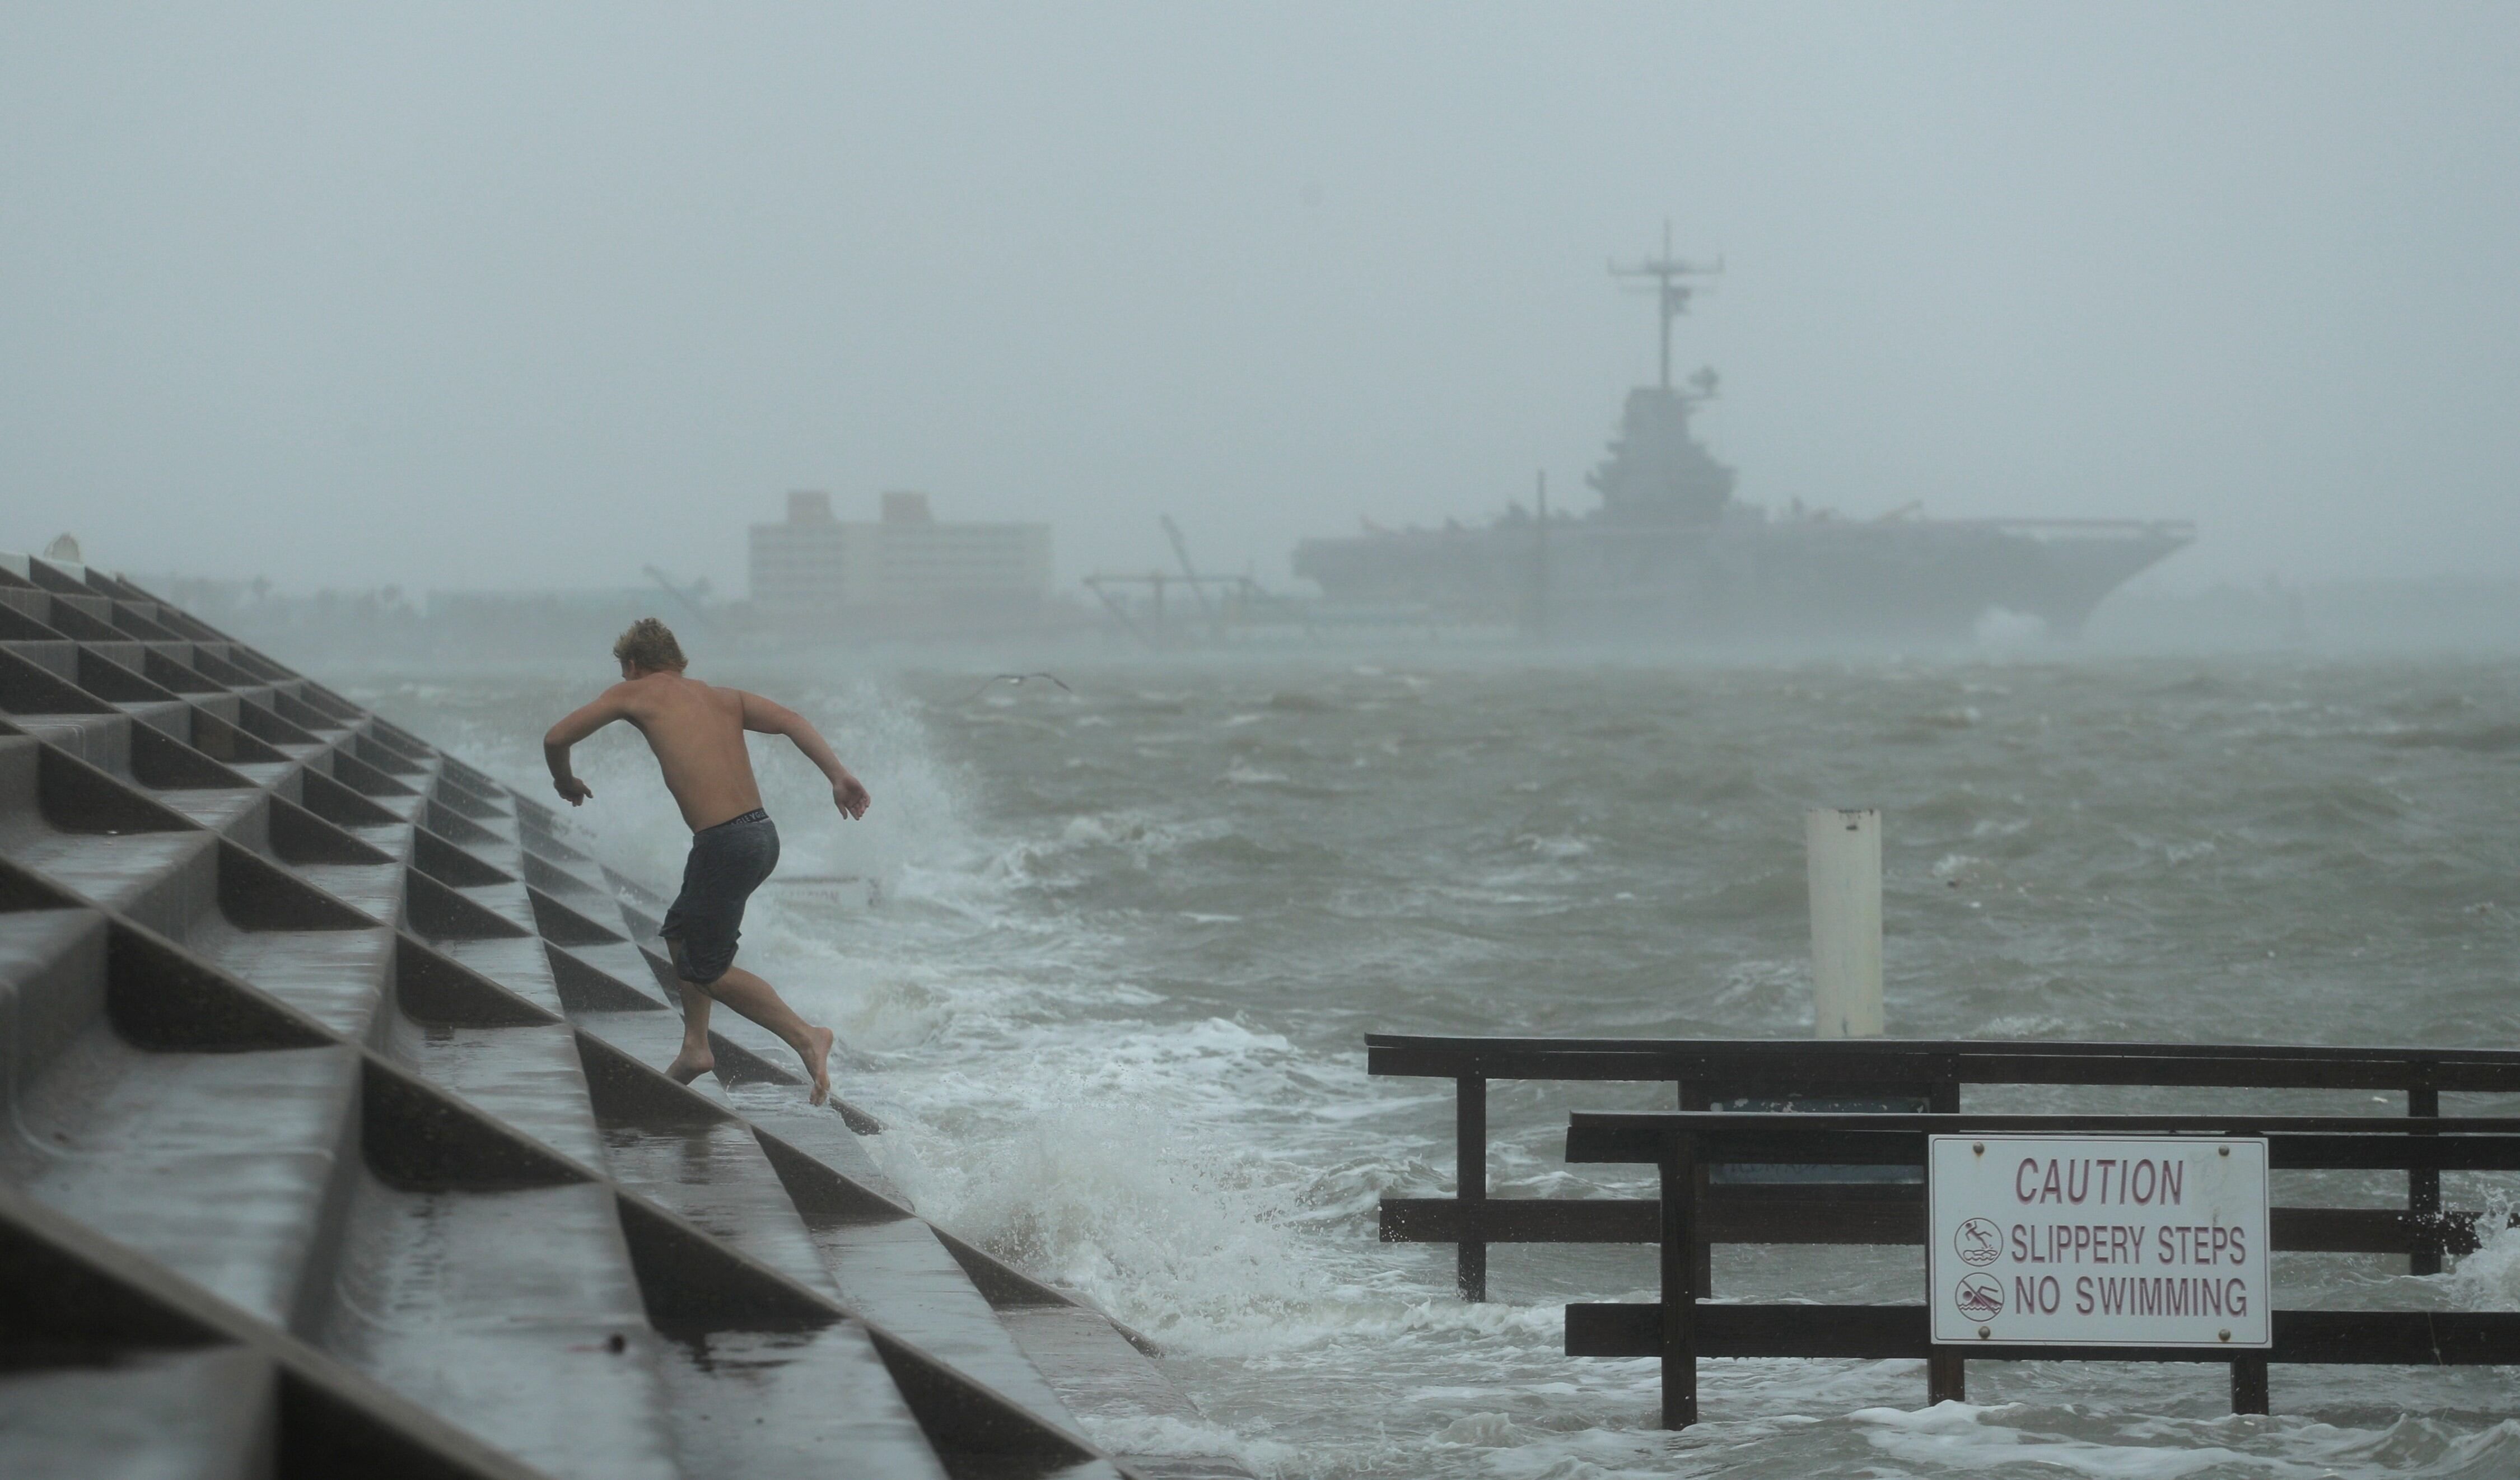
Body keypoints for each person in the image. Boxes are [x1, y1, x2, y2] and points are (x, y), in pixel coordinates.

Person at [542, 618, 870, 1104]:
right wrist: (838, 775)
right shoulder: (724, 697)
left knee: (707, 969)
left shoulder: (633, 692)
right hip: (759, 835)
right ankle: (696, 1046)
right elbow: (792, 720)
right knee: (679, 932)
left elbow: (555, 739)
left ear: (633, 665)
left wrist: (565, 782)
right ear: (678, 661)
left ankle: (806, 1035)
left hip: (723, 845)